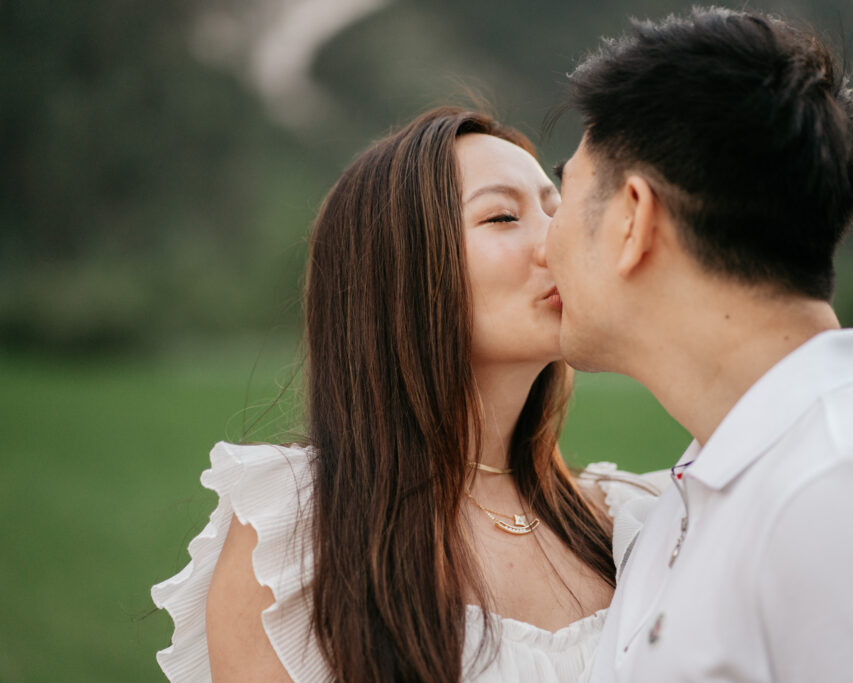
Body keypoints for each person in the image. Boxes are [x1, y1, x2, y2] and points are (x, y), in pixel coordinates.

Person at [543, 8, 853, 682]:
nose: (544, 241)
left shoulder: (852, 497)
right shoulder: (700, 491)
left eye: (564, 191)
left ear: (632, 218)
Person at [151, 107, 663, 682]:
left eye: (556, 210)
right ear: (402, 273)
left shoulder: (637, 523)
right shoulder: (298, 535)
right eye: (501, 217)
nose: (558, 242)